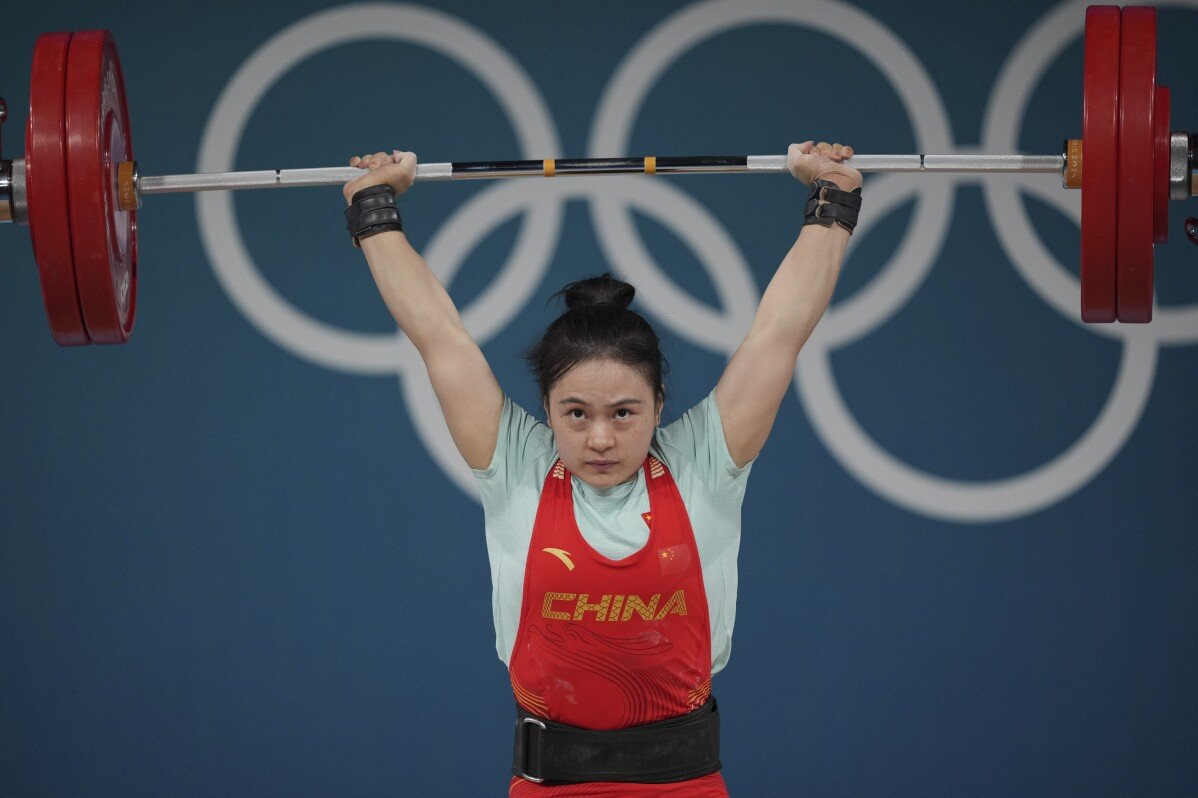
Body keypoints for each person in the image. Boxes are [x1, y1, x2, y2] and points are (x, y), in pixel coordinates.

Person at [341, 141, 862, 796]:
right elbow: (438, 335)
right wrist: (374, 207)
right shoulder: (516, 468)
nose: (600, 438)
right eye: (576, 414)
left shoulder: (705, 462)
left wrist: (832, 200)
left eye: (624, 414)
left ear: (660, 407)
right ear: (548, 412)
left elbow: (779, 332)